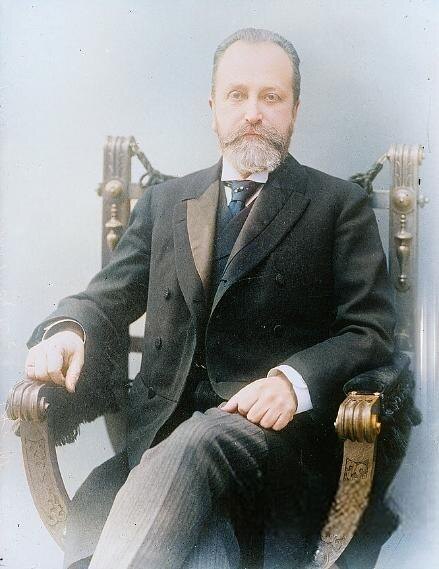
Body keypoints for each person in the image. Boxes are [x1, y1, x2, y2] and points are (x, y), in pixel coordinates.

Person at [25, 28, 395, 569]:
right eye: (236, 95)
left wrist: (293, 382)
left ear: (294, 111)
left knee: (199, 442)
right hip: (155, 450)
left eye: (272, 97)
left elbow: (371, 332)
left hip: (274, 453)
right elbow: (106, 298)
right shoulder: (165, 202)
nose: (253, 113)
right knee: (202, 548)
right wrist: (68, 330)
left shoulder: (338, 206)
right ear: (213, 109)